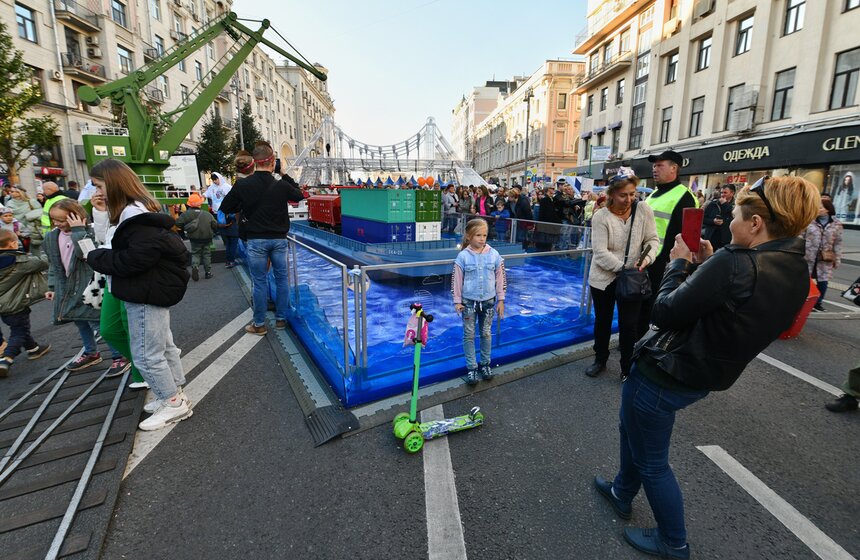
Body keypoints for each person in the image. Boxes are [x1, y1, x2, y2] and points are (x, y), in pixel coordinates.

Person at [594, 176, 819, 559]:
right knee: (632, 429)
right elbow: (732, 310)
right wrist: (708, 267)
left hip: (664, 371)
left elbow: (664, 312)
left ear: (755, 224)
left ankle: (673, 540)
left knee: (652, 458)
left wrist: (679, 263)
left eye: (734, 215)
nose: (729, 220)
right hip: (705, 376)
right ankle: (621, 491)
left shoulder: (735, 263)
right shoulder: (795, 267)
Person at [86, 159, 191, 431]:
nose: (96, 191)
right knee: (162, 346)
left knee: (146, 354)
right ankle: (175, 391)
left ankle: (174, 403)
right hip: (150, 288)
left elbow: (128, 261)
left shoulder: (133, 218)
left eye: (98, 185)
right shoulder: (139, 213)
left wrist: (94, 257)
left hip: (144, 290)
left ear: (113, 183)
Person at [220, 141, 304, 335]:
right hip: (279, 240)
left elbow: (225, 207)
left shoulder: (242, 185)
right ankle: (281, 320)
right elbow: (299, 194)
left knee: (259, 281)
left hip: (256, 240)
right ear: (272, 161)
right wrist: (283, 173)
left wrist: (244, 207)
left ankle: (259, 324)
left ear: (254, 162)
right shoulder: (281, 185)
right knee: (282, 280)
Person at [44, 199, 130, 376]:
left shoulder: (87, 232)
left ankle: (119, 355)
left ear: (76, 216)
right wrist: (52, 286)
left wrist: (77, 231)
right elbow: (53, 263)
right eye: (54, 220)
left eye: (62, 220)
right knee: (79, 321)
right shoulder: (52, 237)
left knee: (97, 322)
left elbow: (88, 254)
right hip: (67, 287)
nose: (57, 224)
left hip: (87, 287)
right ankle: (91, 352)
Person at [586, 170, 660, 379]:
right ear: (611, 194)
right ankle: (600, 359)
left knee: (629, 325)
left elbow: (653, 240)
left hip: (634, 278)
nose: (629, 199)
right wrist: (623, 269)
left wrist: (646, 259)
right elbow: (600, 253)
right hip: (603, 279)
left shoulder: (643, 210)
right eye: (623, 195)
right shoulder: (601, 216)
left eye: (632, 194)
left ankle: (627, 367)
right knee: (603, 321)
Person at [637, 150, 698, 338]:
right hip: (646, 259)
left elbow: (689, 240)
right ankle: (636, 341)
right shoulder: (654, 194)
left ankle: (646, 344)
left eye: (660, 165)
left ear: (674, 168)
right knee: (641, 305)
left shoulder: (685, 197)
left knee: (655, 307)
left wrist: (677, 266)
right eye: (654, 166)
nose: (655, 169)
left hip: (664, 264)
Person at [452, 218, 506, 386]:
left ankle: (485, 364)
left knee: (486, 333)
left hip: (489, 302)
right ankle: (471, 367)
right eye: (478, 235)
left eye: (484, 235)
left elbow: (500, 277)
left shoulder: (494, 254)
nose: (482, 239)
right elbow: (457, 280)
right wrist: (457, 301)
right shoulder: (463, 256)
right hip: (468, 303)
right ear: (469, 236)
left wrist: (501, 299)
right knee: (469, 335)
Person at [0, 229, 51, 376]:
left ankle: (33, 349)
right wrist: (35, 246)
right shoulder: (19, 262)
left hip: (2, 307)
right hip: (15, 305)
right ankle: (6, 359)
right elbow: (43, 262)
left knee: (19, 328)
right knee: (19, 331)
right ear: (12, 244)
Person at [803, 198, 842, 311]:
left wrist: (837, 259)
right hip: (808, 255)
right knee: (805, 280)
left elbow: (838, 242)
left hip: (825, 258)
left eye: (820, 207)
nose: (817, 209)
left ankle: (818, 302)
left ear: (828, 210)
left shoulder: (837, 224)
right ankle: (803, 301)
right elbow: (801, 236)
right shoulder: (809, 221)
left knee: (823, 281)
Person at [176, 192, 217, 281]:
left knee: (195, 253)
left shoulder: (185, 214)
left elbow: (178, 223)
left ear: (189, 204)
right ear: (200, 203)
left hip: (194, 238)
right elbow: (214, 224)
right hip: (207, 238)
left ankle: (195, 267)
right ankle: (208, 273)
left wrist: (186, 227)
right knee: (206, 254)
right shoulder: (207, 214)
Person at [5, 187, 42, 252]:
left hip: (31, 229)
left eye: (15, 191)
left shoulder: (31, 202)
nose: (12, 193)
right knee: (19, 251)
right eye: (12, 191)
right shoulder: (9, 203)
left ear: (21, 192)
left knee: (35, 250)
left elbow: (40, 213)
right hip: (16, 230)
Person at [701, 184, 735, 251]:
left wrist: (725, 205)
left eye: (725, 192)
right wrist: (713, 221)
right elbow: (703, 219)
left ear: (732, 193)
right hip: (711, 237)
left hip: (726, 240)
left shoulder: (735, 206)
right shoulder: (713, 204)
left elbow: (734, 217)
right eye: (721, 192)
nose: (722, 195)